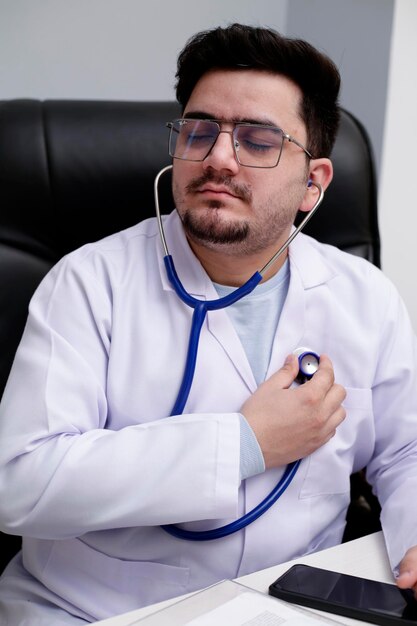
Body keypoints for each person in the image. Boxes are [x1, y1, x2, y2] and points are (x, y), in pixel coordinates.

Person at [0, 22, 417, 625]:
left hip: (295, 604)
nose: (218, 157)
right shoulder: (88, 283)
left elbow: (405, 451)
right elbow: (19, 480)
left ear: (313, 184)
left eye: (257, 140)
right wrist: (243, 444)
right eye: (199, 131)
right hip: (95, 610)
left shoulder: (363, 297)